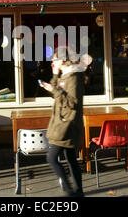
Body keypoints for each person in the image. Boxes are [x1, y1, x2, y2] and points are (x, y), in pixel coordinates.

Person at [39, 46, 86, 197]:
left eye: (55, 59)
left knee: (51, 158)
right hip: (64, 122)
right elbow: (57, 94)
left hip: (67, 124)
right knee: (71, 159)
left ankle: (69, 190)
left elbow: (71, 102)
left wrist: (53, 89)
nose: (53, 62)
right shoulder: (66, 75)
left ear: (63, 60)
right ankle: (78, 192)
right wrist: (53, 76)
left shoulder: (73, 78)